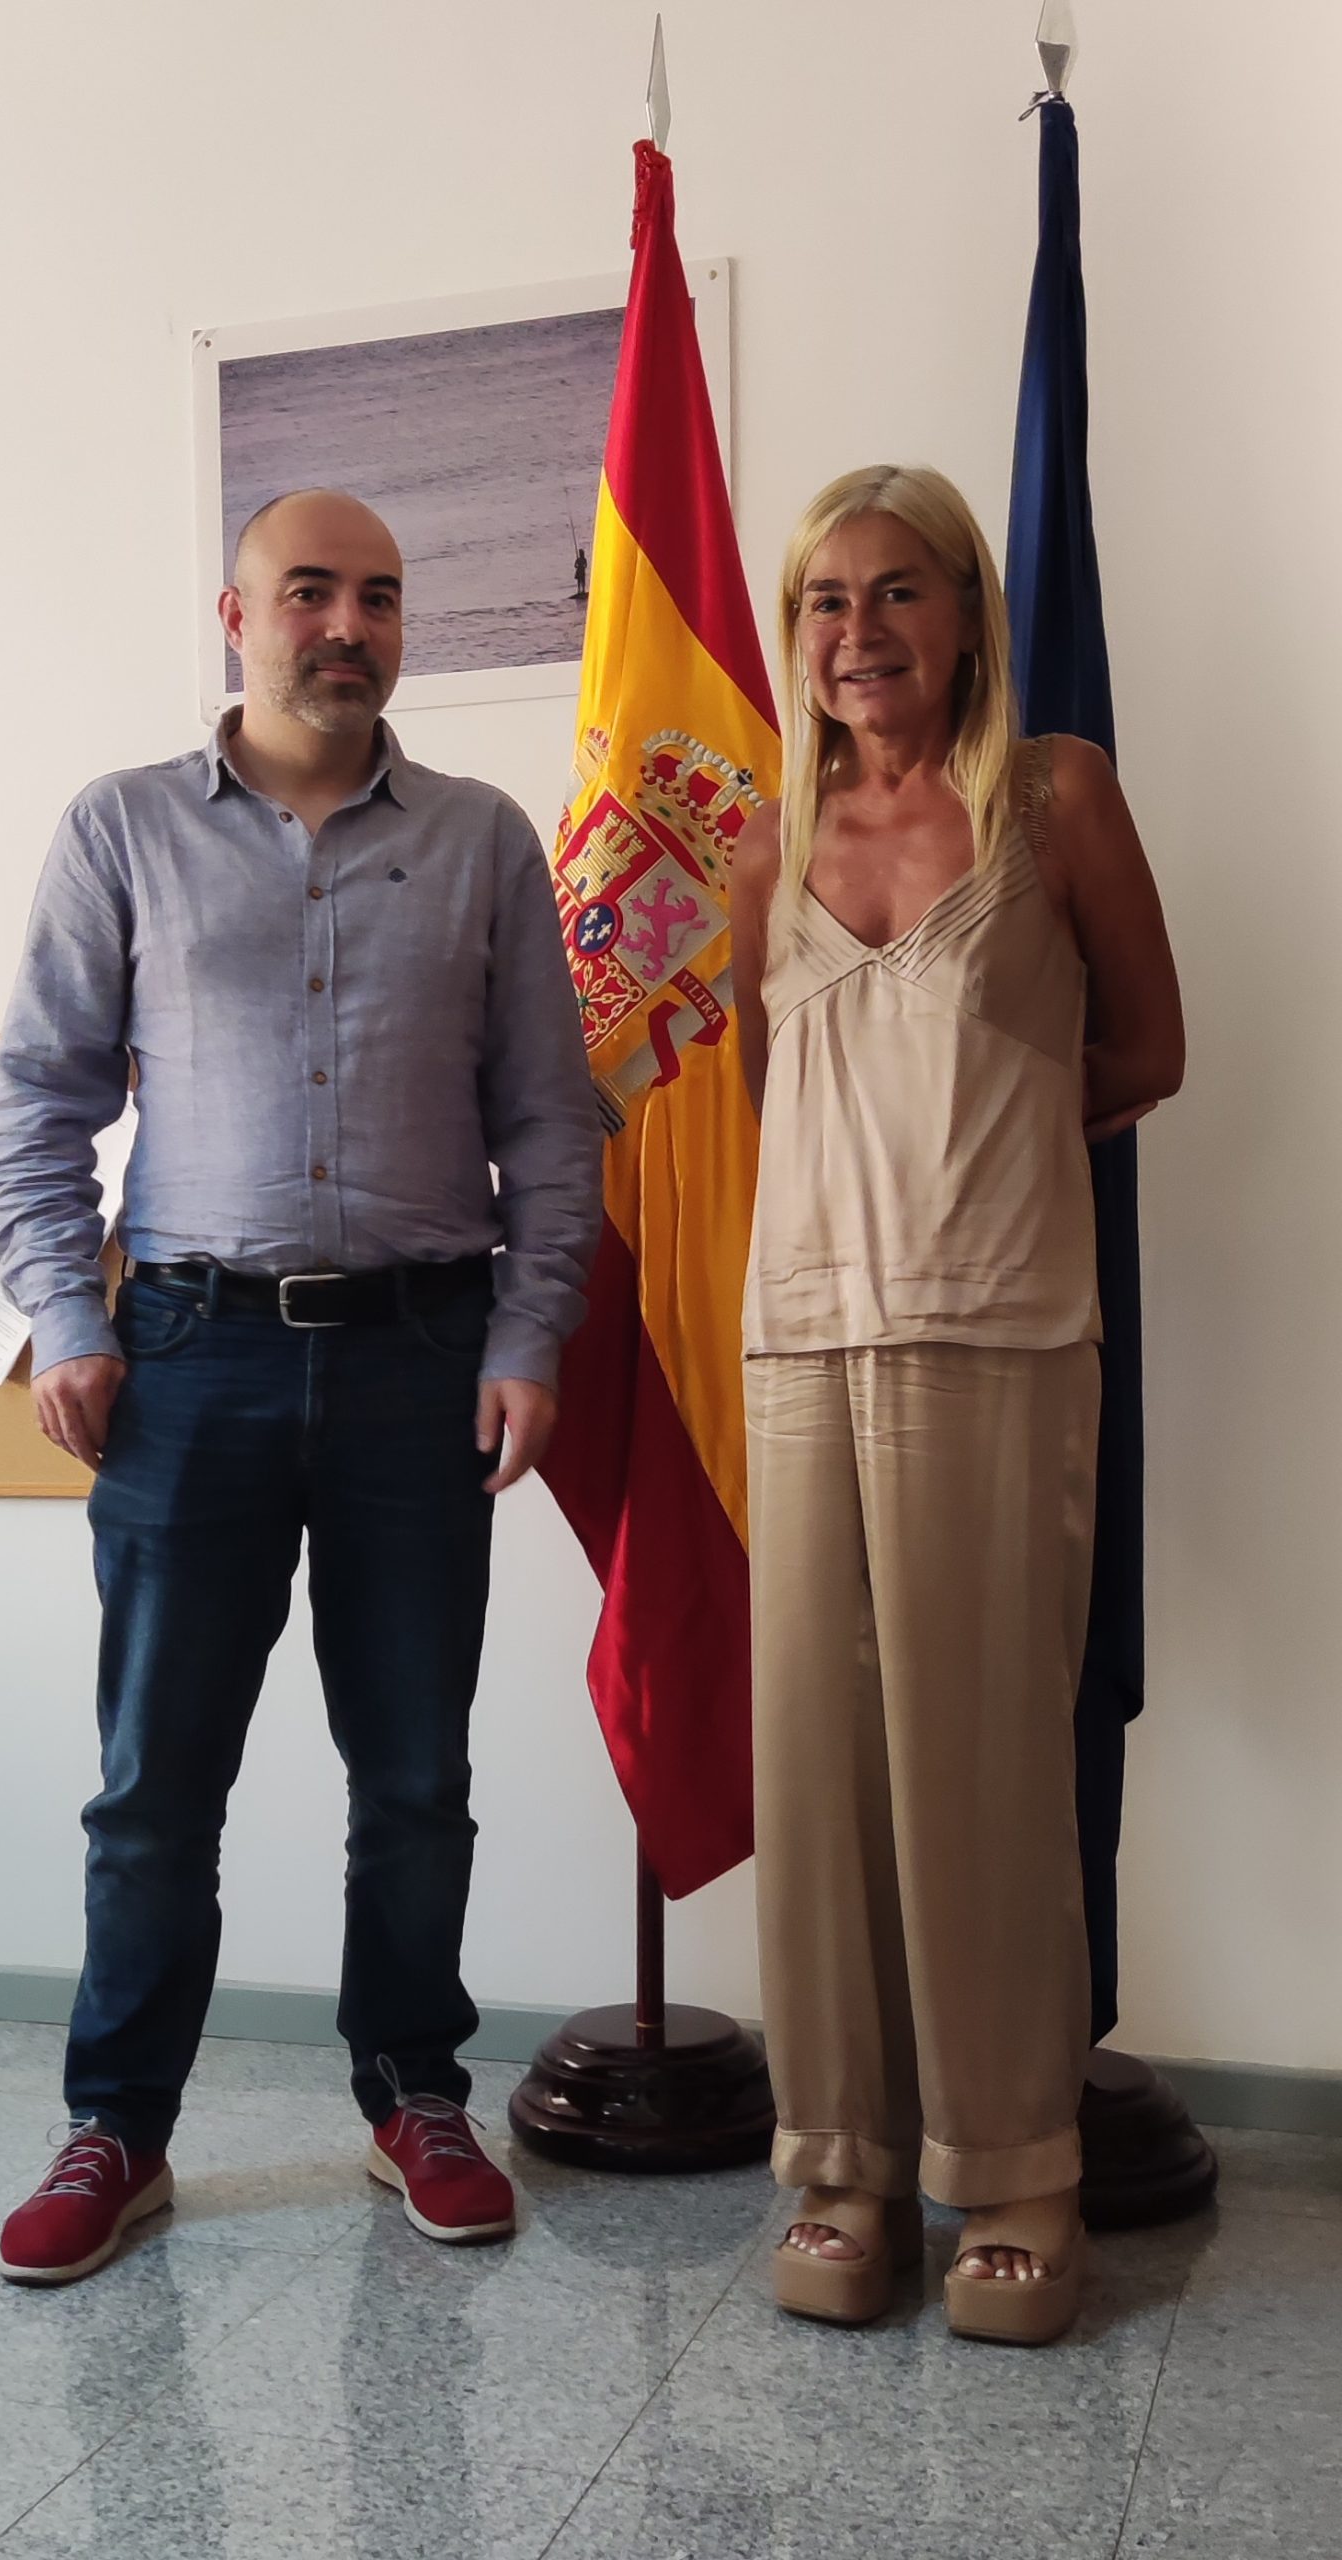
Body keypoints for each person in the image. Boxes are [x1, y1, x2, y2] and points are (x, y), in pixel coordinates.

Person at [0, 488, 603, 2284]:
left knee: (413, 1777)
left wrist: (529, 1337)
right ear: (236, 617)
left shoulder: (483, 841)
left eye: (379, 597)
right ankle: (118, 2127)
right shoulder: (121, 830)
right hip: (190, 1361)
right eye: (310, 590)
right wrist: (67, 1316)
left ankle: (416, 2093)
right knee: (153, 1787)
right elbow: (38, 1103)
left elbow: (549, 1124)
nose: (347, 624)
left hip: (424, 1361)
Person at [729, 464, 1183, 2346]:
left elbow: (1149, 1044)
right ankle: (842, 2160)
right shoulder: (764, 841)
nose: (859, 633)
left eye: (898, 590)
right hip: (801, 1343)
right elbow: (765, 1084)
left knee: (986, 1767)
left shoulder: (1056, 797)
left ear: (970, 611)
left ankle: (1016, 2171)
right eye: (825, 601)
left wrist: (985, 1140)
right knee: (817, 1770)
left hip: (998, 1337)